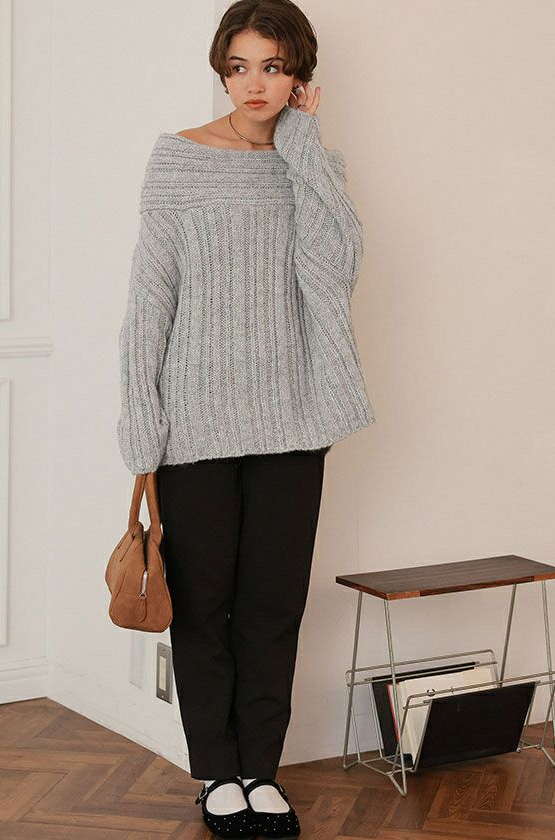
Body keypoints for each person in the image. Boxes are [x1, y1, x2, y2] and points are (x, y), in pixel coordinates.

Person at [117, 1, 375, 836]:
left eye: (272, 66)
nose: (254, 84)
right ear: (221, 71)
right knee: (205, 606)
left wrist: (304, 146)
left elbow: (337, 270)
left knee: (274, 605)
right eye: (239, 67)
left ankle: (261, 771)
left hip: (294, 418)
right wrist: (141, 420)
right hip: (194, 422)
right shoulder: (178, 159)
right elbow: (149, 301)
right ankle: (216, 775)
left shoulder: (311, 164)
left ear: (298, 74)